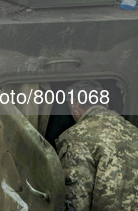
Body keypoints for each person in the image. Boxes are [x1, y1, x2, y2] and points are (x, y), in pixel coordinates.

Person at [56, 80, 138, 210]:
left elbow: (76, 201)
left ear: (73, 104)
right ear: (105, 101)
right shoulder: (133, 131)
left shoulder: (75, 137)